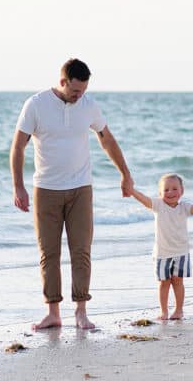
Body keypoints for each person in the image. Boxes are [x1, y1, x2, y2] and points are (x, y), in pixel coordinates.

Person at [10, 58, 133, 330]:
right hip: (46, 189)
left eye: (84, 90)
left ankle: (81, 311)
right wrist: (18, 186)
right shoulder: (36, 104)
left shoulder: (88, 105)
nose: (80, 96)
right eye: (75, 91)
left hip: (80, 188)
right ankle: (53, 312)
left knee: (81, 250)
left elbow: (106, 138)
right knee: (49, 253)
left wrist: (124, 173)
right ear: (63, 81)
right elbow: (18, 146)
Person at [128, 174, 193, 320]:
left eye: (175, 189)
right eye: (166, 190)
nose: (170, 192)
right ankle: (163, 311)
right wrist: (132, 191)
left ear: (182, 191)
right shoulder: (158, 205)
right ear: (160, 193)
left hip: (181, 252)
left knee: (178, 281)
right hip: (162, 253)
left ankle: (179, 310)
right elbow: (144, 200)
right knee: (164, 283)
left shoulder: (184, 207)